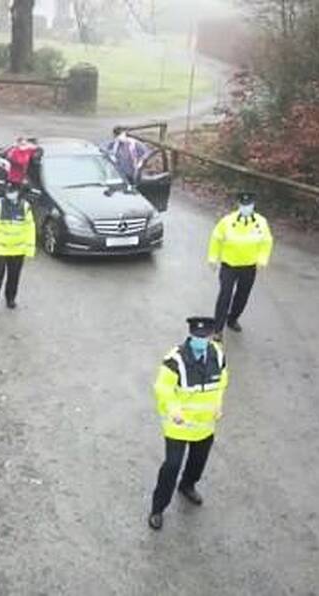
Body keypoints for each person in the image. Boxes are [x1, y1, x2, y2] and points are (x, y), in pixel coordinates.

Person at [148, 316, 228, 531]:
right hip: (178, 426)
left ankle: (187, 485)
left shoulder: (217, 355)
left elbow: (221, 381)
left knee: (197, 462)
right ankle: (158, 508)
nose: (201, 340)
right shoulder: (175, 359)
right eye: (197, 337)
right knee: (171, 466)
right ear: (190, 336)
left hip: (205, 426)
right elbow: (162, 388)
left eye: (205, 337)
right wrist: (174, 410)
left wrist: (218, 404)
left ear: (210, 336)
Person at [208, 191, 274, 337]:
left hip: (249, 267)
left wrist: (262, 260)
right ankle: (218, 329)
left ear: (253, 205)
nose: (246, 207)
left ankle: (232, 319)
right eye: (244, 205)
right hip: (229, 265)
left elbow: (266, 241)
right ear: (239, 205)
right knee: (225, 295)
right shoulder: (227, 221)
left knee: (242, 296)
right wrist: (213, 257)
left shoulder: (260, 222)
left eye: (249, 205)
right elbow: (216, 238)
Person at [0, 182, 36, 317]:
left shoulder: (25, 207)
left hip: (18, 249)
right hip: (0, 248)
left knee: (14, 276)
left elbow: (29, 228)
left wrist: (29, 249)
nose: (10, 193)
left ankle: (10, 298)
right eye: (9, 190)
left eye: (13, 190)